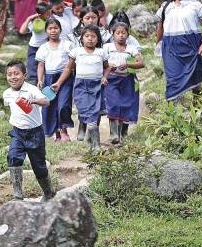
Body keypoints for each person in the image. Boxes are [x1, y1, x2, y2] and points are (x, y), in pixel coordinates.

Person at [155, 0, 202, 101]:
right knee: (172, 78)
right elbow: (160, 28)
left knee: (194, 74)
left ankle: (197, 102)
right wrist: (158, 44)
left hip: (191, 44)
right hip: (170, 46)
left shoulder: (195, 5)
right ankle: (173, 111)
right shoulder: (166, 7)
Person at [2, 60, 55, 201]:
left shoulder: (31, 90)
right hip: (17, 132)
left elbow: (47, 101)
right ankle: (18, 195)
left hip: (35, 133)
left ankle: (48, 192)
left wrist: (33, 101)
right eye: (9, 74)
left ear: (24, 75)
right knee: (13, 157)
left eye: (16, 74)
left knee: (38, 166)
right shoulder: (6, 93)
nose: (13, 77)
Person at [52, 25, 110, 153]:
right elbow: (68, 68)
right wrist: (59, 83)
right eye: (87, 36)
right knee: (85, 111)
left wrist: (104, 77)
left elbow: (107, 67)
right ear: (82, 38)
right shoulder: (77, 52)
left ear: (98, 39)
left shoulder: (101, 52)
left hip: (97, 86)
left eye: (93, 36)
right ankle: (91, 138)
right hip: (81, 86)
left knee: (94, 113)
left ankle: (95, 145)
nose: (90, 39)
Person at [104, 21, 144, 145]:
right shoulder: (107, 48)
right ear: (113, 34)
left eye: (123, 33)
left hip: (127, 79)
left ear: (128, 34)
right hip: (111, 79)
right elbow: (101, 61)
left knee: (124, 105)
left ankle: (120, 134)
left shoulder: (132, 49)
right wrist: (109, 66)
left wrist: (127, 64)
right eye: (118, 33)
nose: (121, 35)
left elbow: (141, 63)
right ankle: (113, 133)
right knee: (114, 104)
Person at [36, 18, 74, 142]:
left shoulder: (67, 45)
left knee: (63, 104)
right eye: (50, 28)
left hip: (65, 77)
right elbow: (41, 65)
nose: (53, 31)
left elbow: (70, 65)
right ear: (46, 31)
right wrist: (40, 80)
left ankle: (64, 130)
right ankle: (56, 133)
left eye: (56, 28)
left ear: (60, 30)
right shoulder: (43, 47)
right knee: (51, 106)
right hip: (49, 78)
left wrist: (60, 82)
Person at [19, 2, 51, 84]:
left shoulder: (50, 21)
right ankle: (32, 85)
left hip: (45, 47)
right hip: (34, 48)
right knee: (32, 67)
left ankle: (44, 86)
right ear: (40, 14)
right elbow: (22, 31)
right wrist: (29, 19)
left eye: (49, 12)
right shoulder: (35, 22)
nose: (48, 14)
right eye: (46, 13)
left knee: (45, 68)